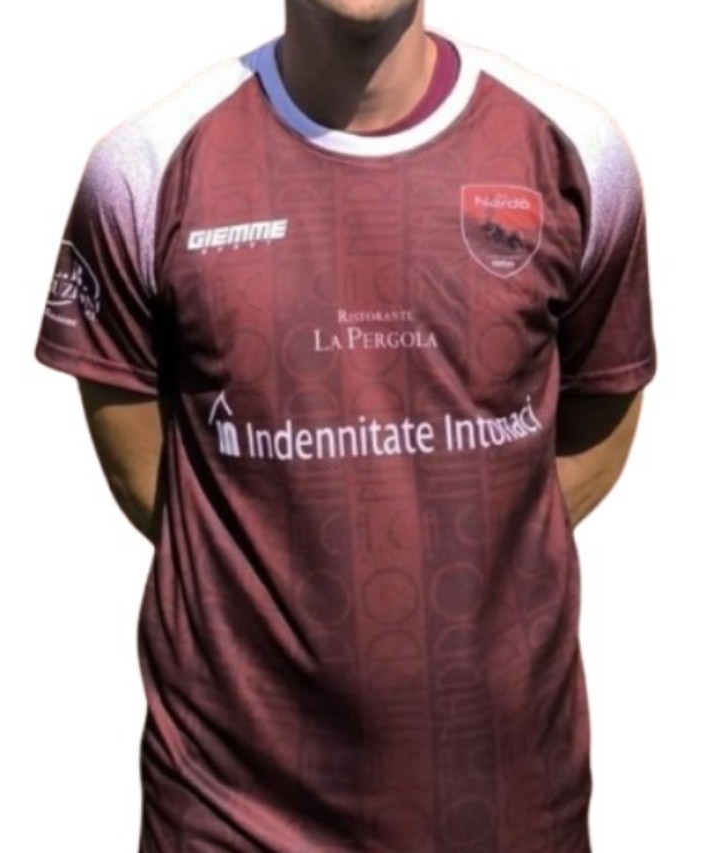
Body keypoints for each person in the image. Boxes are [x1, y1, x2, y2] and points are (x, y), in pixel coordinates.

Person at [35, 0, 656, 849]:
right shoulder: (141, 168)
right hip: (230, 805)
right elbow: (140, 465)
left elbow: (599, 408)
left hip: (505, 799)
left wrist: (468, 545)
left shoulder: (576, 151)